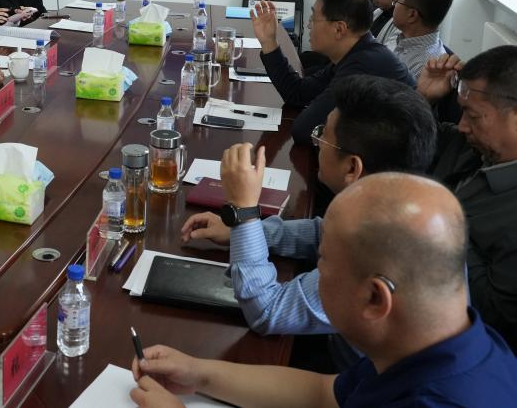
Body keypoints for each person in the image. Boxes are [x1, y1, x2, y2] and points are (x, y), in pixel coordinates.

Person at [130, 173, 517, 408]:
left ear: (374, 299)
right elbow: (322, 394)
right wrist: (197, 372)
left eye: (324, 260)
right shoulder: (432, 343)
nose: (317, 265)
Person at [181, 76, 436, 362]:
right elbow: (321, 233)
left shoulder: (384, 249)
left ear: (352, 168)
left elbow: (266, 311)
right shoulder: (400, 201)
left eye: (323, 135)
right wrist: (245, 233)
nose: (316, 143)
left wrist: (244, 211)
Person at [419, 46, 517, 348]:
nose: (462, 125)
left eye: (473, 115)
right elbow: (410, 141)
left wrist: (447, 221)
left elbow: (497, 315)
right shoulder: (475, 146)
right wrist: (424, 97)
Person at [252, 0, 413, 143]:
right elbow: (298, 93)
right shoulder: (356, 53)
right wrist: (269, 41)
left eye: (314, 19)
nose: (309, 26)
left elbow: (305, 129)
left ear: (339, 29)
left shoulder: (363, 65)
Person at [388, 0, 453, 80]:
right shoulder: (403, 38)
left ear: (412, 15)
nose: (394, 4)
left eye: (398, 0)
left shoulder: (425, 68)